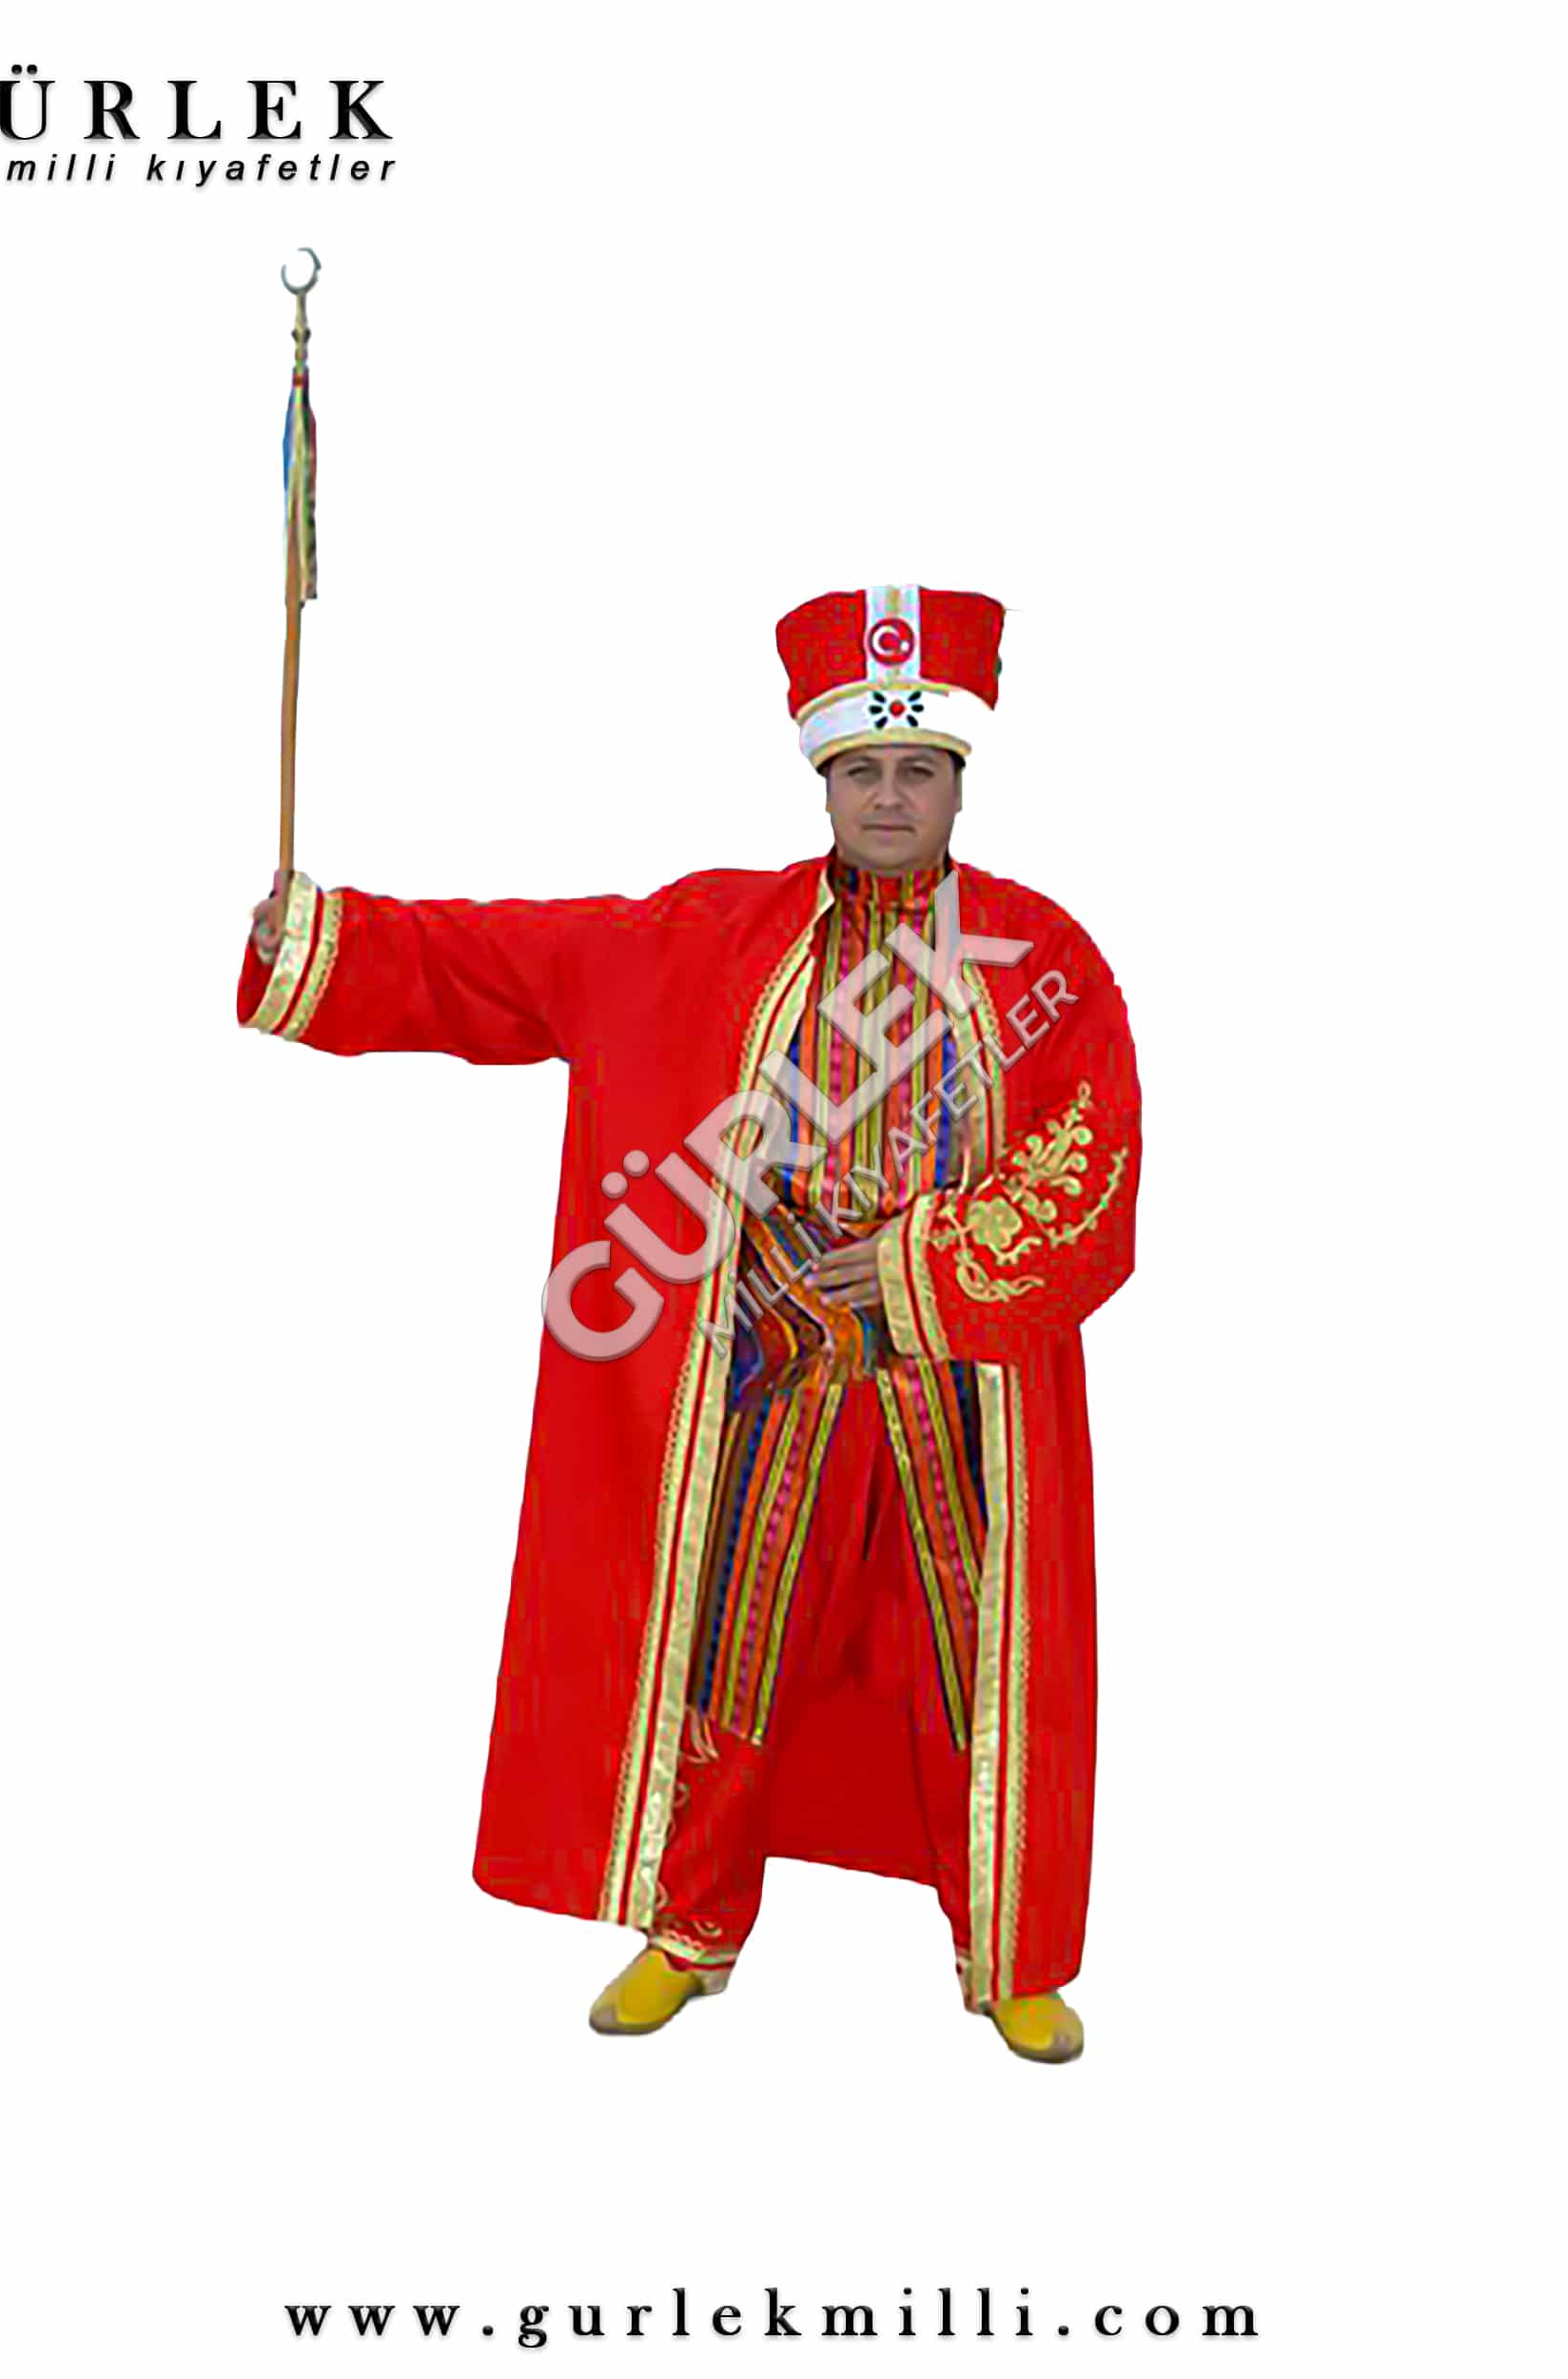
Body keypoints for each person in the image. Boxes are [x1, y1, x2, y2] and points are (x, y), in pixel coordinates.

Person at [238, 585, 1141, 2061]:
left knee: (980, 1670)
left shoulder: (1040, 958)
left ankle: (1013, 1954)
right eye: (864, 770)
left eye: (919, 770)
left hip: (959, 1381)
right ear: (824, 781)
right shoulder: (713, 933)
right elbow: (504, 964)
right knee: (730, 1656)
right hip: (766, 1381)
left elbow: (1091, 1162)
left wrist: (920, 1263)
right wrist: (322, 936)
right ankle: (692, 1926)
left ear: (961, 781)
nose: (891, 796)